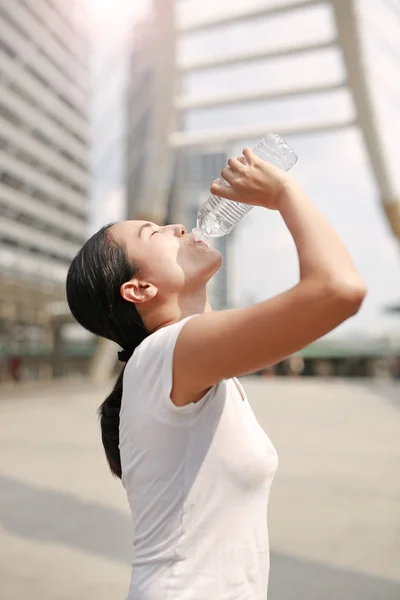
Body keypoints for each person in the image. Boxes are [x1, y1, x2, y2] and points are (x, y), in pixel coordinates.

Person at [66, 148, 367, 599]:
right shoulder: (166, 353)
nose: (179, 226)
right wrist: (283, 191)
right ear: (139, 289)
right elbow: (338, 289)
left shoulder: (190, 363)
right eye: (156, 232)